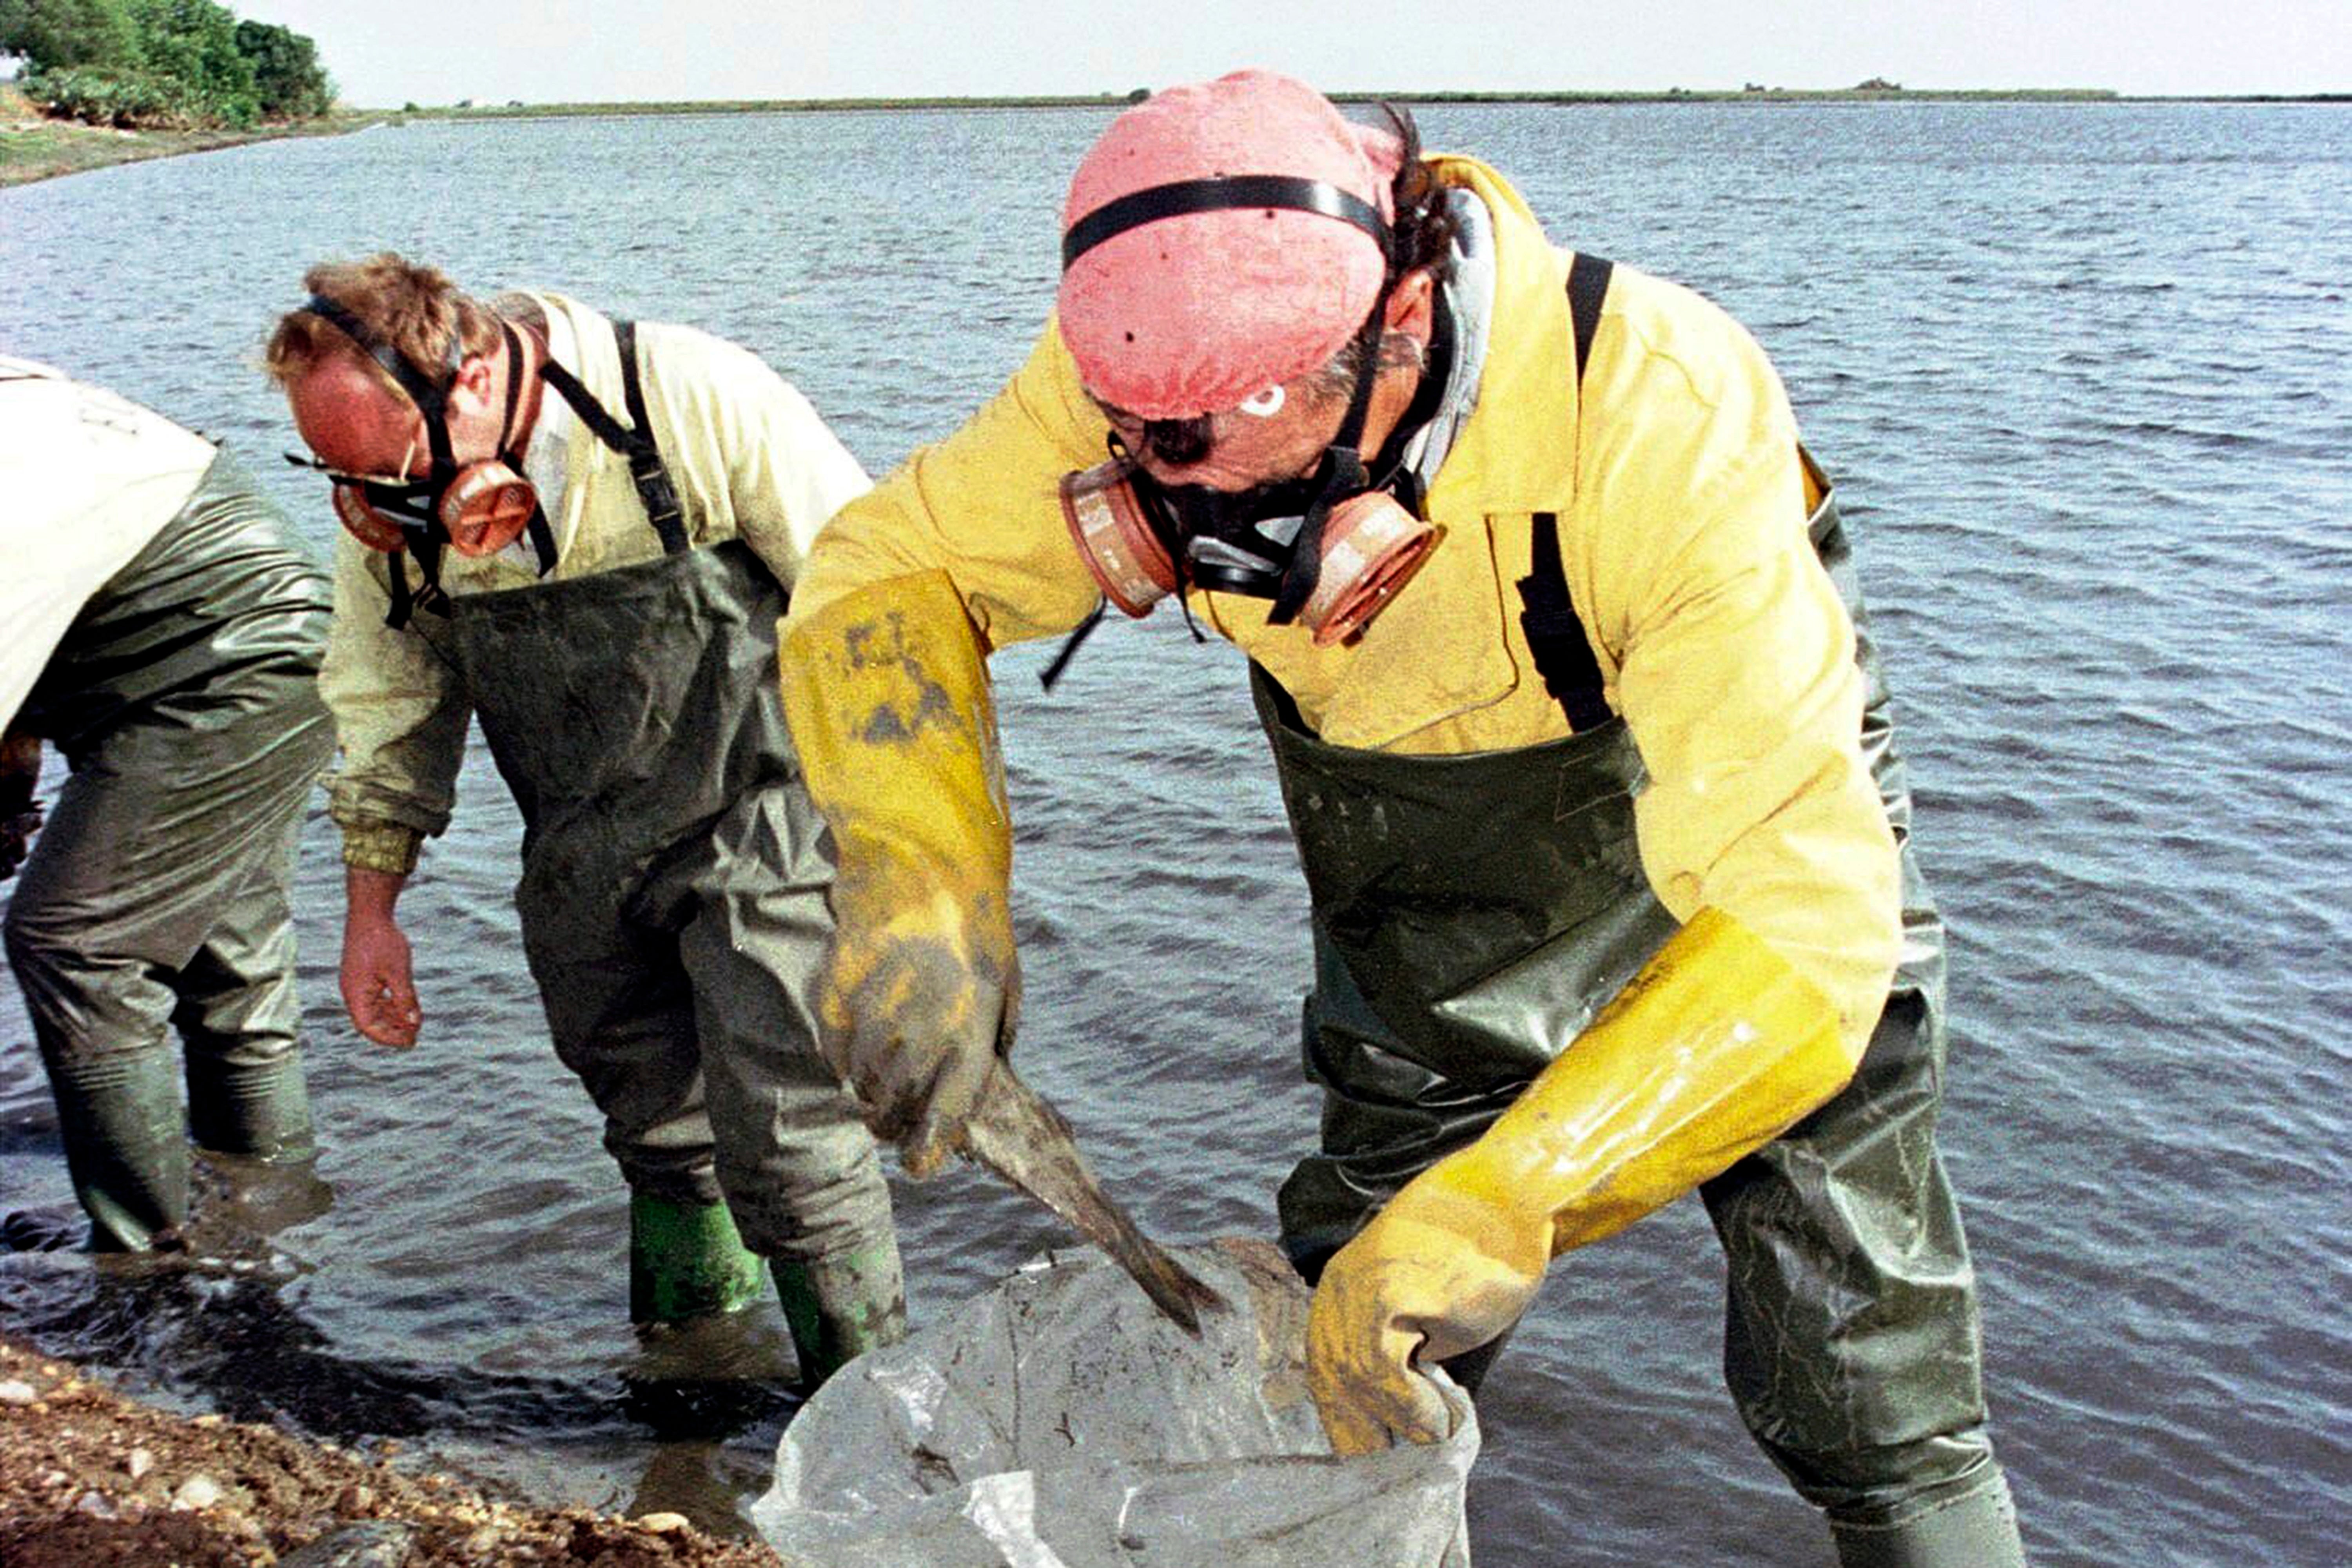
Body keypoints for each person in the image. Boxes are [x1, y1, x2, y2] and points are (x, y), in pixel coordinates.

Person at [775, 71, 2027, 1564]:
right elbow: (881, 582)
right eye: (1139, 456)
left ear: (1403, 329)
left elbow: (1809, 922)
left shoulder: (1658, 405)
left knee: (1864, 1349)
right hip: (1426, 893)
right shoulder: (1139, 380)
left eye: (1246, 467)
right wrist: (923, 883)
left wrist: (1516, 1197)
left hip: (1750, 857)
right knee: (1343, 1330)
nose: (1184, 511)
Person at [265, 256, 902, 1386]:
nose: (371, 504)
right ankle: (693, 1400)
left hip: (770, 813)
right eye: (335, 474)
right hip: (584, 845)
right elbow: (387, 706)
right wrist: (374, 913)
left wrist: (925, 868)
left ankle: (880, 1436)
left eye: (387, 469)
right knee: (653, 1124)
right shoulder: (392, 519)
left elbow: (878, 617)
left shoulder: (686, 396)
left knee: (792, 1139)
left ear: (462, 388)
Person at [2, 356, 333, 1254]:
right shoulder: (30, 403)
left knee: (76, 941)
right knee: (232, 961)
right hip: (287, 636)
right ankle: (267, 1223)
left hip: (218, 668)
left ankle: (147, 1258)